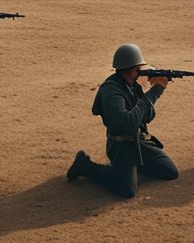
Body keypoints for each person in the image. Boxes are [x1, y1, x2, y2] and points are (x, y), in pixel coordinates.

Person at [67, 43, 179, 198]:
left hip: (139, 142)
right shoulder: (111, 90)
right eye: (139, 69)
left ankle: (129, 168)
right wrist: (156, 91)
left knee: (169, 171)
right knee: (127, 189)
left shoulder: (133, 85)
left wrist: (149, 91)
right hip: (121, 145)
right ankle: (86, 166)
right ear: (134, 69)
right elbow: (127, 124)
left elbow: (148, 116)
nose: (142, 72)